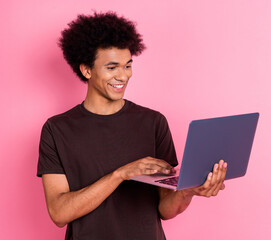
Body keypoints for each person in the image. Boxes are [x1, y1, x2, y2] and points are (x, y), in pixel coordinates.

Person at [37, 12, 227, 240]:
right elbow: (59, 213)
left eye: (127, 66)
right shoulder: (57, 130)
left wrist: (188, 191)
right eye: (112, 67)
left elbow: (164, 209)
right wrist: (120, 174)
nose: (123, 76)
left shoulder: (153, 122)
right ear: (86, 70)